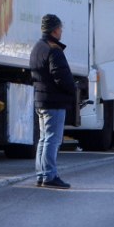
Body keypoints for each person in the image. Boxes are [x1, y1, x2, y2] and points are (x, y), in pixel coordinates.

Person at [29, 14, 80, 189]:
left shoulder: (37, 47)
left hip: (41, 100)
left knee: (44, 139)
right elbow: (61, 77)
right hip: (54, 101)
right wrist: (73, 89)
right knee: (52, 139)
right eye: (60, 28)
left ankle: (41, 174)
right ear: (55, 29)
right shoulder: (54, 50)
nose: (62, 31)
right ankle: (50, 176)